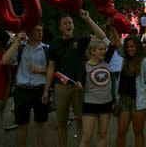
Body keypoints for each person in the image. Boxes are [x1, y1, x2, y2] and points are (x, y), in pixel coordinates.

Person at [41, 10, 106, 147]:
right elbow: (51, 68)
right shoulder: (54, 44)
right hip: (60, 87)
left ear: (73, 25)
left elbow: (102, 35)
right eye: (64, 23)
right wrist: (46, 90)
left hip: (79, 87)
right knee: (61, 123)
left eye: (70, 22)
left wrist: (88, 19)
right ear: (60, 27)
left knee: (80, 121)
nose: (68, 25)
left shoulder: (81, 41)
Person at [1, 24, 49, 147]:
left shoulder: (46, 49)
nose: (40, 33)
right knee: (22, 125)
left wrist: (39, 70)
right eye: (37, 30)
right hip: (22, 90)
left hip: (40, 89)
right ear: (29, 32)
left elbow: (53, 70)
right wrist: (17, 41)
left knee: (41, 124)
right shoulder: (21, 47)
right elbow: (5, 60)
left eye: (41, 30)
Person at [115, 36, 146, 147]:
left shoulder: (144, 62)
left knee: (138, 133)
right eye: (128, 47)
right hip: (124, 100)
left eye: (132, 46)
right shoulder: (123, 60)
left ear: (138, 47)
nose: (130, 49)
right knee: (121, 132)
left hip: (139, 102)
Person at [77, 39, 112, 147]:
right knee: (86, 137)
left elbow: (115, 43)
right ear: (92, 51)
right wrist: (79, 84)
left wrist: (113, 26)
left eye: (104, 49)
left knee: (102, 135)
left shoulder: (107, 61)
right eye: (100, 49)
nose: (103, 51)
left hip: (106, 103)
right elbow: (80, 81)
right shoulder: (84, 66)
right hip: (90, 104)